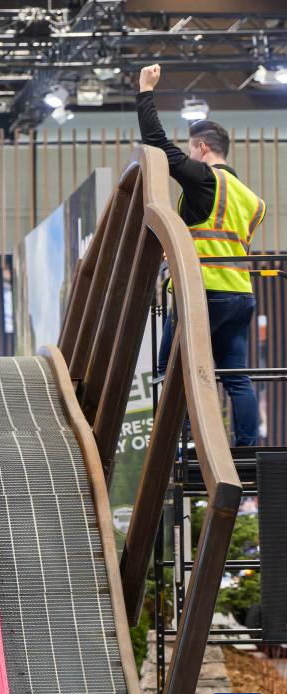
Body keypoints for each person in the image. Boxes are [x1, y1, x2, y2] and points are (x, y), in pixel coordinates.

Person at [138, 64, 265, 447]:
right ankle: (247, 450)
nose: (189, 154)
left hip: (202, 293)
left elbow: (157, 143)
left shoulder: (204, 178)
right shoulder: (252, 199)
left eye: (191, 148)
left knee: (169, 369)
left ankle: (185, 444)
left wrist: (145, 91)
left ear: (203, 148)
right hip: (240, 295)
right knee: (236, 377)